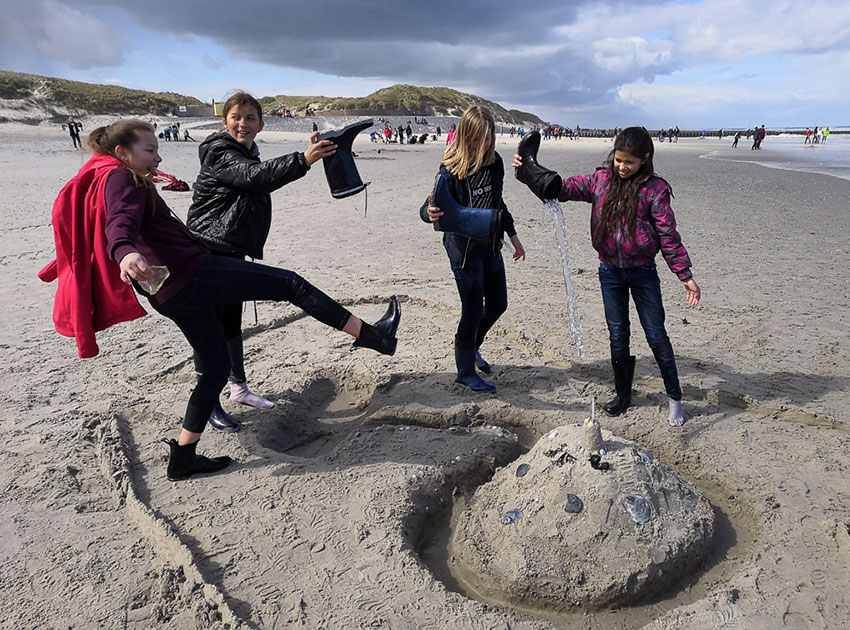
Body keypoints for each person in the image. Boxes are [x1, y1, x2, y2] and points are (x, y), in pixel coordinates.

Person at [46, 119, 401, 480]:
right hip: (191, 276)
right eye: (150, 150)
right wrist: (123, 252)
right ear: (122, 153)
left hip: (167, 292)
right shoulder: (122, 177)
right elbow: (119, 224)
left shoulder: (111, 175)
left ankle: (183, 457)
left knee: (215, 368)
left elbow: (123, 220)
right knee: (291, 285)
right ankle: (374, 337)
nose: (158, 156)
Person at [513, 126, 700, 426]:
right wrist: (529, 172)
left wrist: (684, 275)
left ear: (645, 159)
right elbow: (563, 189)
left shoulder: (655, 190)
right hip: (609, 272)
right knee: (617, 334)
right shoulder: (600, 181)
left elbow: (668, 236)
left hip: (643, 275)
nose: (622, 167)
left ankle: (675, 399)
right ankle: (623, 395)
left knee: (656, 336)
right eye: (618, 160)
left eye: (629, 162)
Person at [186, 91, 336, 432]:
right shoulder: (220, 152)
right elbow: (256, 178)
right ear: (225, 122)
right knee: (210, 332)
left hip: (229, 247)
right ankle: (210, 404)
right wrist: (304, 159)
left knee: (230, 324)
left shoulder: (247, 153)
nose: (243, 123)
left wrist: (312, 152)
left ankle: (238, 388)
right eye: (236, 117)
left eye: (250, 118)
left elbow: (260, 174)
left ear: (260, 124)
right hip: (207, 250)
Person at [421, 105, 526, 392]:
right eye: (477, 139)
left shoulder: (496, 163)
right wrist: (426, 213)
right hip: (464, 250)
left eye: (488, 137)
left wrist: (513, 235)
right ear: (466, 137)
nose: (483, 144)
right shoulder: (451, 170)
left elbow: (498, 204)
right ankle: (465, 372)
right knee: (471, 310)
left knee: (498, 304)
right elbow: (432, 204)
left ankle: (473, 348)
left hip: (491, 244)